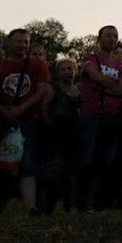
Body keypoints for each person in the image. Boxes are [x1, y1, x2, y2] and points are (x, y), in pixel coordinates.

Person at [0, 28, 51, 214]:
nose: (23, 45)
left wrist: (19, 110)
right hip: (0, 119)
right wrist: (2, 110)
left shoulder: (37, 64)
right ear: (9, 42)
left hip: (28, 119)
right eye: (19, 41)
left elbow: (41, 90)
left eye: (26, 42)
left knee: (28, 162)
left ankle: (30, 207)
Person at [76, 25, 122, 212]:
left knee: (103, 162)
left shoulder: (120, 68)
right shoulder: (89, 58)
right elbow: (93, 76)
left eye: (115, 35)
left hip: (111, 119)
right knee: (85, 160)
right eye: (108, 35)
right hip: (90, 116)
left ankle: (92, 203)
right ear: (99, 39)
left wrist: (104, 88)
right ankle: (77, 204)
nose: (112, 39)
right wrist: (114, 87)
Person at [39, 58, 81, 214]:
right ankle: (47, 208)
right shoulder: (53, 89)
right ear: (57, 73)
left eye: (70, 68)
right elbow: (44, 109)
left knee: (72, 172)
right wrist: (49, 127)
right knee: (52, 173)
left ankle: (72, 206)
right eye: (63, 69)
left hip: (74, 134)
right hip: (55, 135)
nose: (67, 72)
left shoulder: (78, 90)